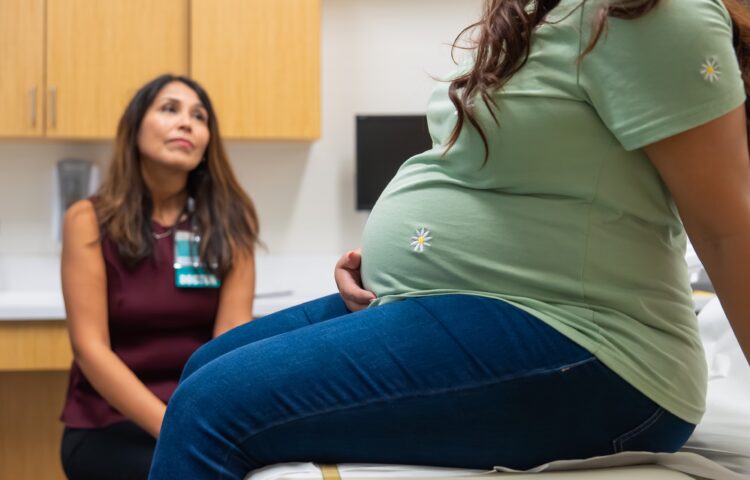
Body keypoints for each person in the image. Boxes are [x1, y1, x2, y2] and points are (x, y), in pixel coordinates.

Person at [149, 0, 750, 478]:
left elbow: (729, 230)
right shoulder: (545, 13)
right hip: (482, 305)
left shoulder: (654, 10)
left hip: (593, 348)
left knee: (211, 409)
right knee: (206, 367)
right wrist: (409, 260)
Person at [59, 74, 259, 480]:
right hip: (109, 422)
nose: (186, 122)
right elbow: (90, 349)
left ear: (206, 143)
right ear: (134, 128)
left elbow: (230, 341)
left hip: (199, 415)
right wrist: (175, 428)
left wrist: (213, 426)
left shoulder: (230, 223)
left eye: (199, 116)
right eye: (169, 109)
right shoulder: (88, 220)